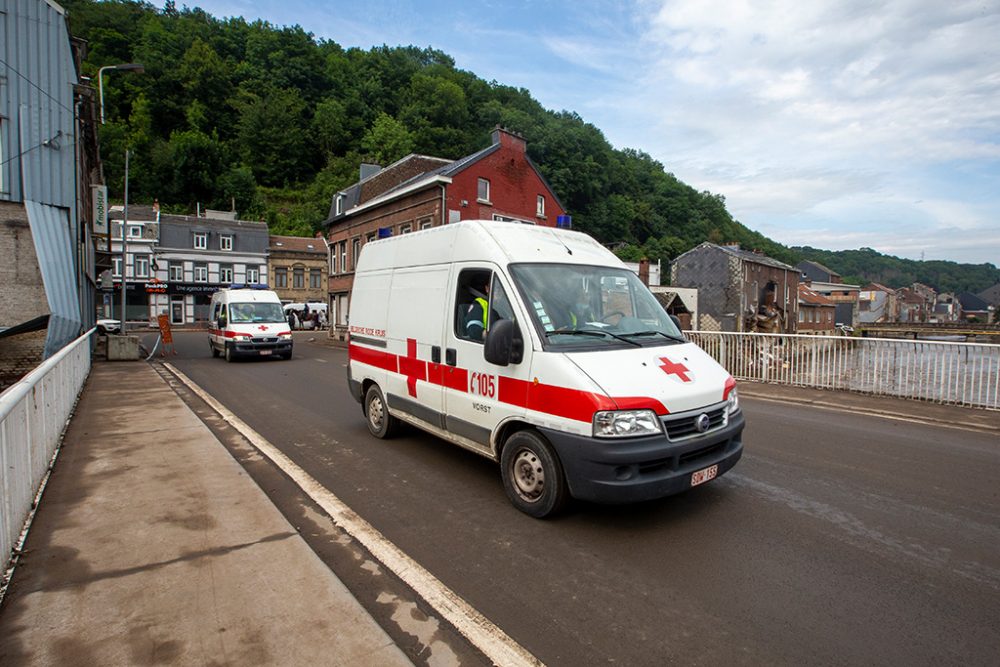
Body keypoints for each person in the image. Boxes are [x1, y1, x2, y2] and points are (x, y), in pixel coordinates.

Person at [463, 276, 490, 341]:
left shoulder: (506, 306)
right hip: (489, 346)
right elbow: (474, 330)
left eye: (501, 289)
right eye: (496, 288)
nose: (499, 292)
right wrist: (493, 336)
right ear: (487, 289)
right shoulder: (479, 303)